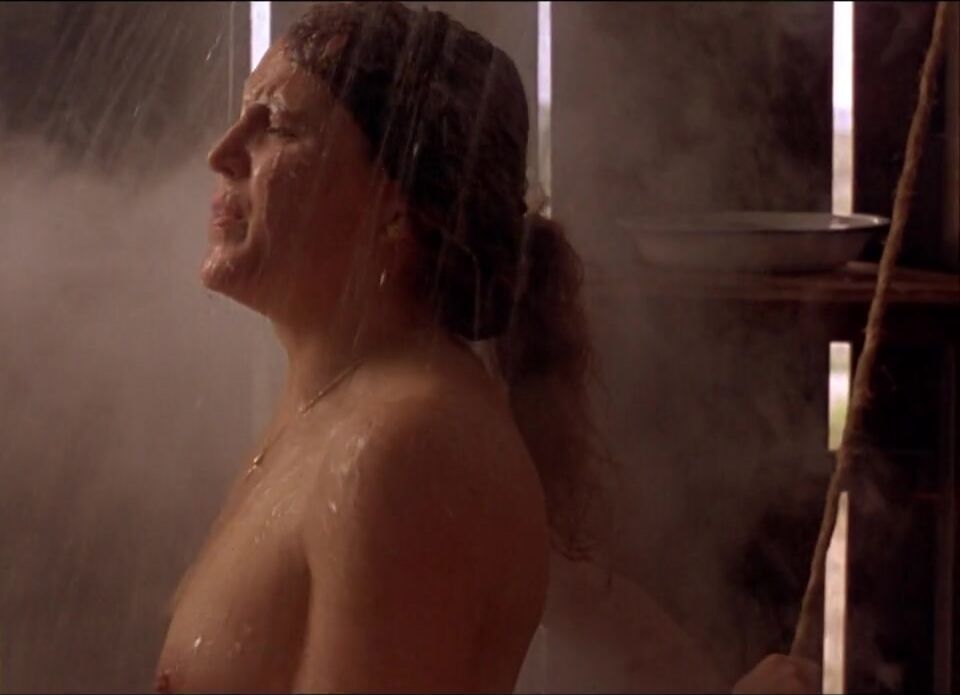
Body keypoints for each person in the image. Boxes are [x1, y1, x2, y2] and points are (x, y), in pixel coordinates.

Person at [156, 3, 820, 693]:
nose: (221, 153)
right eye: (243, 116)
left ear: (394, 210)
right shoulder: (345, 413)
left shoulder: (400, 451)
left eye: (278, 126)